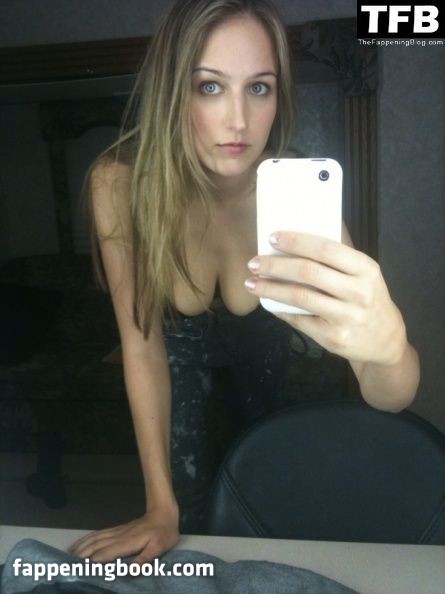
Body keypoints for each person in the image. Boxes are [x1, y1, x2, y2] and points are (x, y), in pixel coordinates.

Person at [69, 0, 420, 565]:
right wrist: (159, 505)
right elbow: (141, 347)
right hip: (181, 444)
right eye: (209, 87)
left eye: (259, 88)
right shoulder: (121, 184)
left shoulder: (298, 201)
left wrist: (391, 349)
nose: (238, 120)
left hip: (279, 434)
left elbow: (389, 394)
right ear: (172, 92)